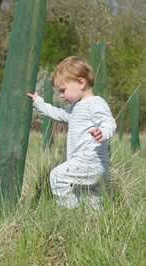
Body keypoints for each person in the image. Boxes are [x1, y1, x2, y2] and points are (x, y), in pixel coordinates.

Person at [27, 56, 116, 210]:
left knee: (56, 177)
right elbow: (58, 113)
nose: (61, 95)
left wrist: (103, 132)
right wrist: (38, 102)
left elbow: (109, 122)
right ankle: (92, 226)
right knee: (91, 202)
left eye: (63, 90)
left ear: (81, 83)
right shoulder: (76, 107)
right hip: (92, 167)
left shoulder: (95, 103)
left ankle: (72, 212)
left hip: (89, 162)